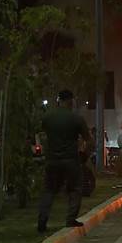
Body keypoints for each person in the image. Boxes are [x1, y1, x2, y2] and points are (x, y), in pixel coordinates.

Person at [38, 90, 92, 233]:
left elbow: (40, 134)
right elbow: (88, 140)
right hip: (70, 160)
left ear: (58, 100)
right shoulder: (76, 118)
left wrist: (45, 150)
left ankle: (42, 221)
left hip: (52, 160)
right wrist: (85, 156)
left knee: (49, 190)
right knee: (75, 188)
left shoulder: (48, 117)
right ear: (71, 101)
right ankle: (70, 219)